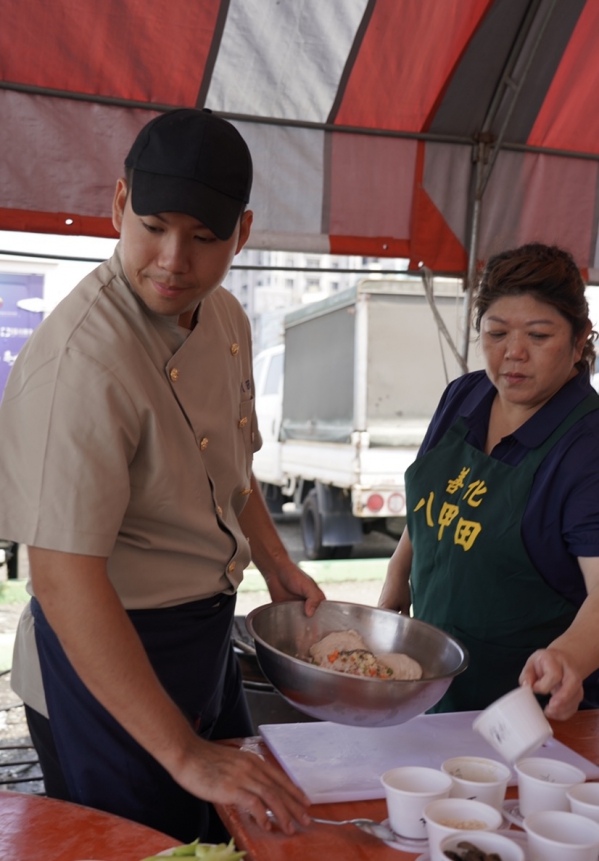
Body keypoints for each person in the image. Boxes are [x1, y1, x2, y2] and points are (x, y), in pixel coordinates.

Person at [0, 108, 325, 842]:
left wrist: (278, 567)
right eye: (153, 226)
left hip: (205, 636)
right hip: (102, 655)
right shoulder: (80, 364)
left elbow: (231, 475)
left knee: (241, 830)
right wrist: (184, 753)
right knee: (145, 843)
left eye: (205, 238)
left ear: (241, 233)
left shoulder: (228, 319)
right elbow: (60, 578)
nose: (174, 261)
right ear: (119, 206)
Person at [379, 242, 599, 720]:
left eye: (539, 336)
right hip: (434, 681)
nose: (513, 353)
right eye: (496, 333)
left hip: (531, 710)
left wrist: (568, 658)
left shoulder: (587, 446)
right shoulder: (465, 396)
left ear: (580, 341)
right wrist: (398, 578)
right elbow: (430, 504)